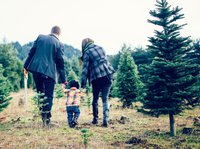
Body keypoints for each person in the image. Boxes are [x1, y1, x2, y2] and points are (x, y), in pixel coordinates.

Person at [23, 26, 67, 127]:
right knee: (49, 96)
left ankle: (44, 117)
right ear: (59, 34)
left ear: (51, 32)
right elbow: (60, 63)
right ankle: (46, 121)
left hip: (36, 71)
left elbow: (31, 53)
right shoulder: (59, 44)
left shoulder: (40, 37)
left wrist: (25, 67)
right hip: (49, 73)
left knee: (40, 94)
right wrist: (64, 81)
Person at [80, 38, 115, 127]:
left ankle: (95, 119)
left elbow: (85, 69)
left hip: (97, 77)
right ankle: (105, 120)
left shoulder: (87, 52)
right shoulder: (101, 48)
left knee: (95, 99)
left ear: (84, 45)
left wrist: (83, 83)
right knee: (105, 98)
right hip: (108, 74)